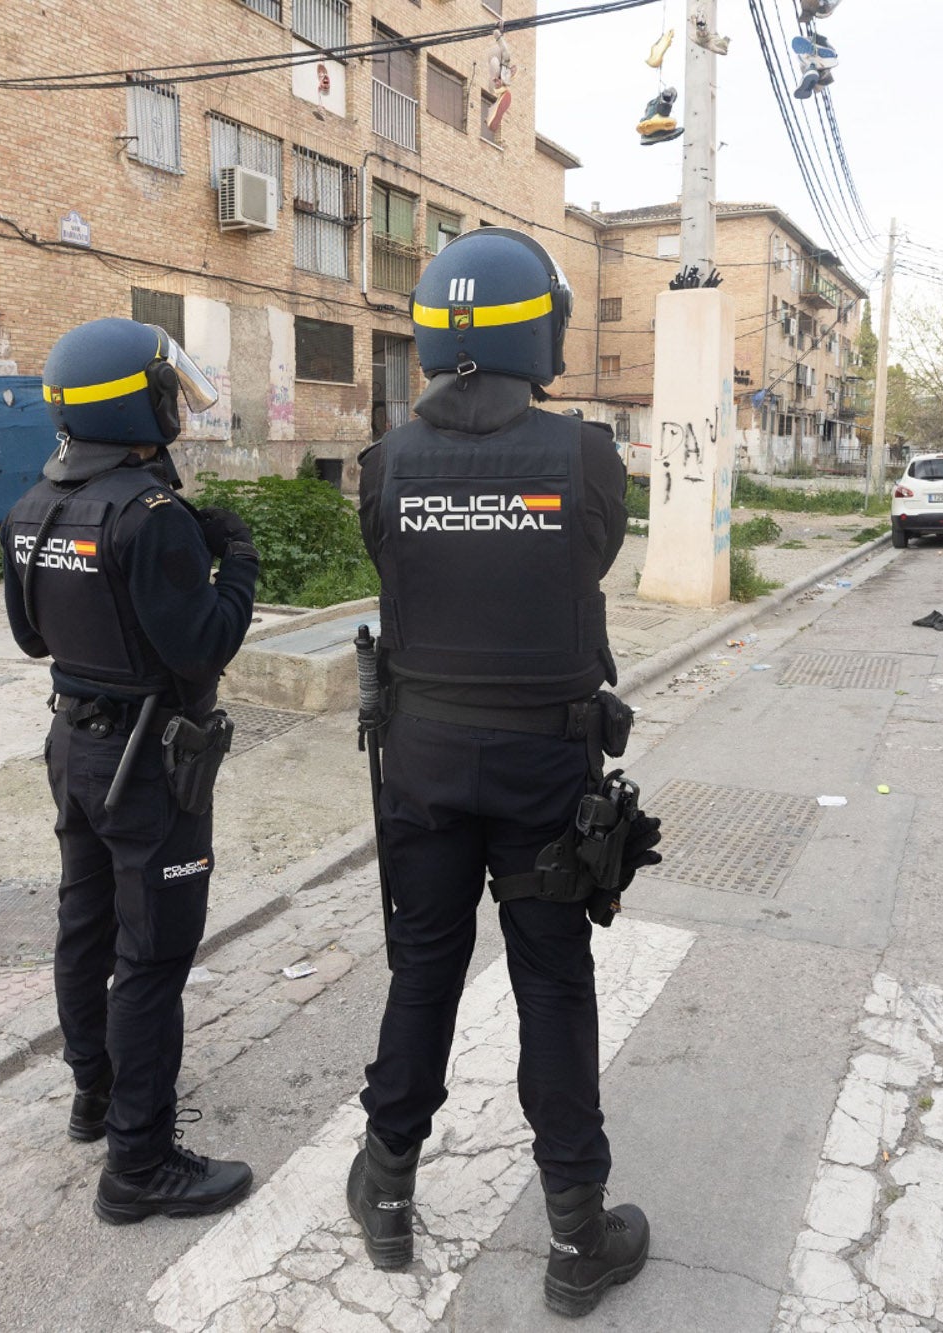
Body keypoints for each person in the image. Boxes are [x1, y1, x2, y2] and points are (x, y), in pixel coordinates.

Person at [345, 228, 665, 1317]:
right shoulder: (583, 457)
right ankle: (577, 1231)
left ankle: (385, 1190)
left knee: (423, 970)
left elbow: (396, 567)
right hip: (541, 770)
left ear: (432, 330)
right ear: (542, 328)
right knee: (552, 984)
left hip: (422, 765)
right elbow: (589, 556)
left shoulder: (383, 462)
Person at [0, 317, 262, 1225]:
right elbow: (204, 649)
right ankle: (140, 1164)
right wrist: (239, 564)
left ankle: (95, 1098)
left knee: (86, 923)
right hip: (149, 759)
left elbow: (31, 636)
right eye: (166, 389)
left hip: (74, 747)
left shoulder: (35, 506)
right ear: (140, 403)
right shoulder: (153, 518)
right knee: (151, 958)